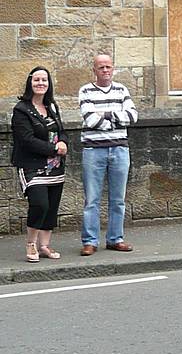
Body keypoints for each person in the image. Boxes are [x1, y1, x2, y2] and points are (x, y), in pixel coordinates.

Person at [78, 53, 138, 256]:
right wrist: (115, 118)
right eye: (101, 67)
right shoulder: (85, 90)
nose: (105, 70)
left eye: (108, 67)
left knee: (118, 198)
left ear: (113, 69)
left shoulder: (122, 90)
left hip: (120, 149)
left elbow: (132, 116)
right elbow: (89, 119)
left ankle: (115, 239)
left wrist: (104, 115)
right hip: (93, 150)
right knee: (92, 199)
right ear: (94, 70)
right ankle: (90, 241)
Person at [11, 67, 69, 262]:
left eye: (44, 80)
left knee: (51, 206)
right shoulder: (21, 109)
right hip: (31, 166)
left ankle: (44, 246)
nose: (41, 83)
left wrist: (63, 142)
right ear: (30, 82)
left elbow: (62, 130)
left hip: (55, 166)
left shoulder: (52, 106)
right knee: (39, 204)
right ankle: (31, 244)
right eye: (37, 80)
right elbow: (26, 139)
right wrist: (54, 149)